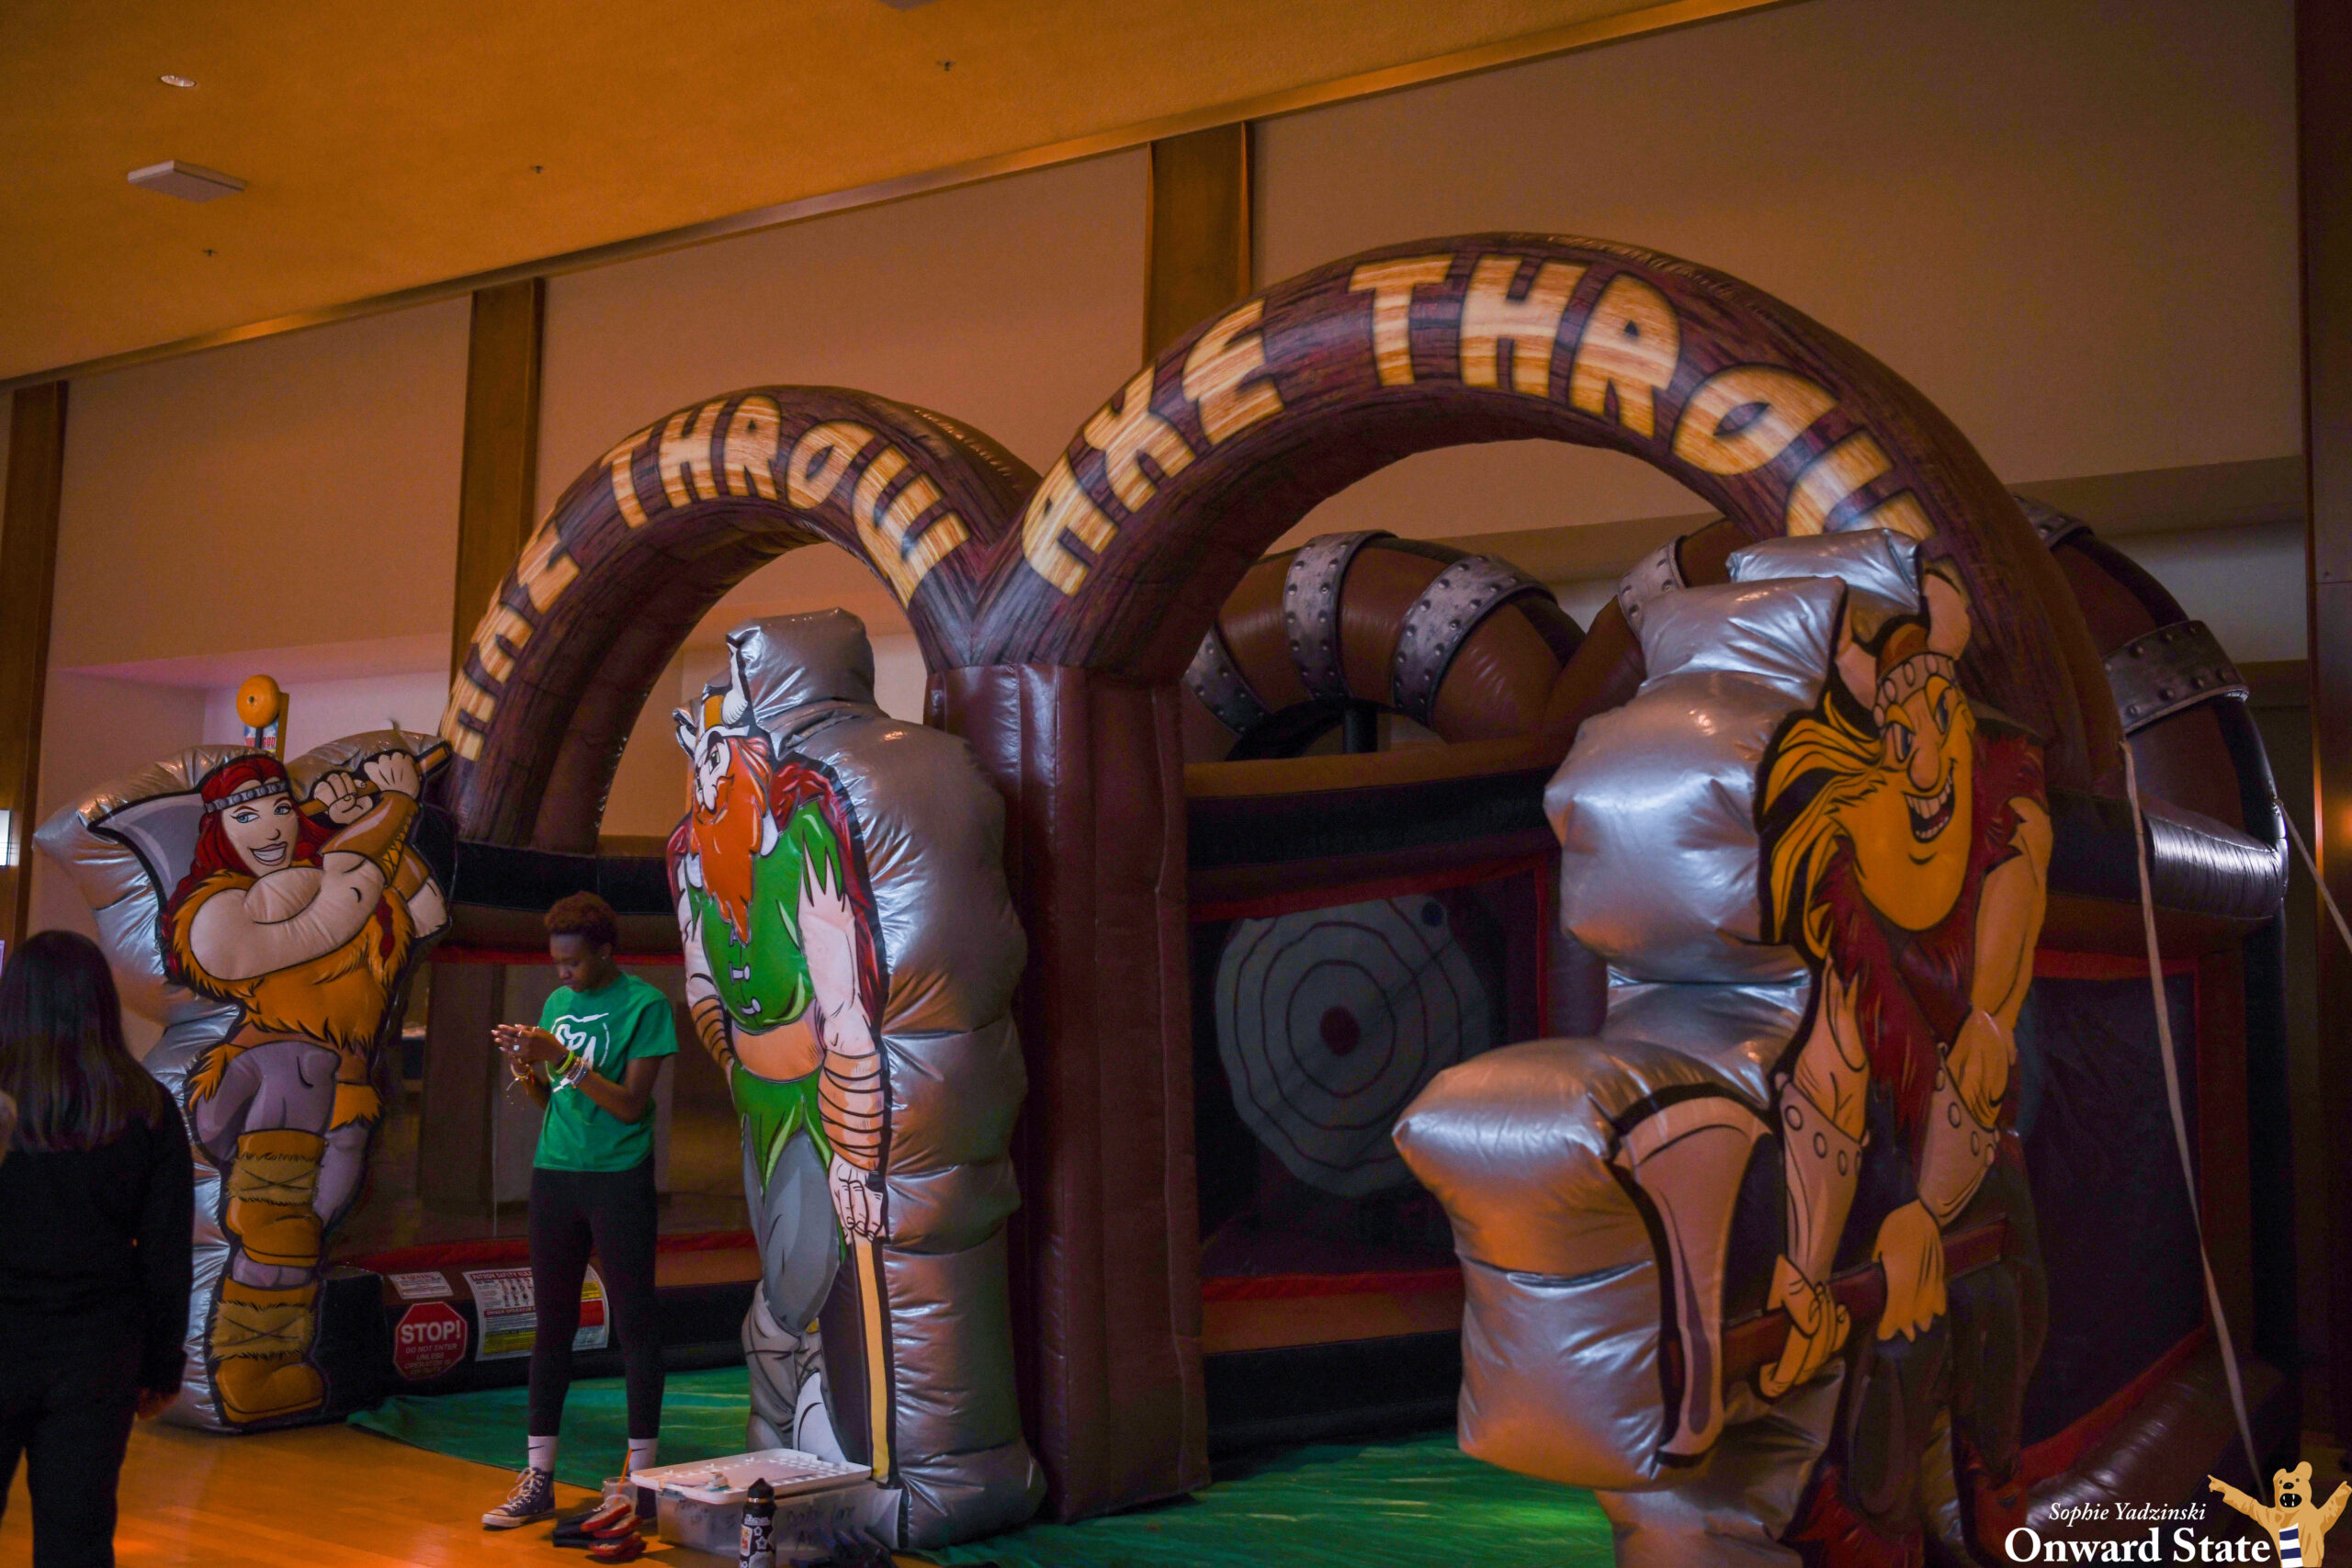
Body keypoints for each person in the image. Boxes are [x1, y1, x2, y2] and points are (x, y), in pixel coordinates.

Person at [161, 747, 440, 1424]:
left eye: (282, 808)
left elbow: (427, 911)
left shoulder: (339, 873)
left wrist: (370, 827)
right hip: (267, 1073)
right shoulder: (229, 903)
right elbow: (333, 909)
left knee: (300, 1239)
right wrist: (392, 809)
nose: (271, 827)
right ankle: (242, 1365)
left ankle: (271, 1362)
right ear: (219, 830)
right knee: (275, 1223)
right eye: (248, 815)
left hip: (343, 1090)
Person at [481, 893, 677, 1528]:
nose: (563, 973)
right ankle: (538, 1478)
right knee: (552, 1323)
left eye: (574, 962)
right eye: (557, 963)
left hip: (618, 1177)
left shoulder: (645, 1005)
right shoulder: (557, 1006)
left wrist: (561, 1057)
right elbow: (560, 1100)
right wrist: (527, 1067)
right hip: (556, 1174)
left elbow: (627, 1105)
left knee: (636, 1322)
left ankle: (643, 1481)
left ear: (606, 951)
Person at [0, 930, 195, 1568]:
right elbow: (166, 1256)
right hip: (98, 1350)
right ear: (100, 1002)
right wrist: (161, 1368)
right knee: (76, 1539)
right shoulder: (146, 1106)